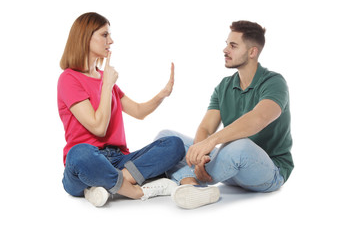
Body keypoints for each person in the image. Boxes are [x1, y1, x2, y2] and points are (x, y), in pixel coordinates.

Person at [157, 20, 294, 209]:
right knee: (167, 137)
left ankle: (175, 181)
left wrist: (211, 142)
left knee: (241, 146)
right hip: (231, 168)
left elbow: (258, 119)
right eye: (226, 44)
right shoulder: (224, 86)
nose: (225, 50)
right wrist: (200, 157)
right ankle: (192, 185)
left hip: (269, 170)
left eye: (233, 45)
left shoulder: (274, 82)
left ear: (252, 52)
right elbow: (206, 127)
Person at [57, 12, 185, 207]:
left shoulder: (104, 77)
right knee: (80, 153)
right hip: (86, 162)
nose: (111, 40)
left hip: (118, 159)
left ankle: (103, 185)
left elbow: (139, 111)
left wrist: (162, 94)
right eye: (104, 35)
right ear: (86, 37)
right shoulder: (69, 79)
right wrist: (106, 85)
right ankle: (133, 190)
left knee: (174, 144)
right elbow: (98, 128)